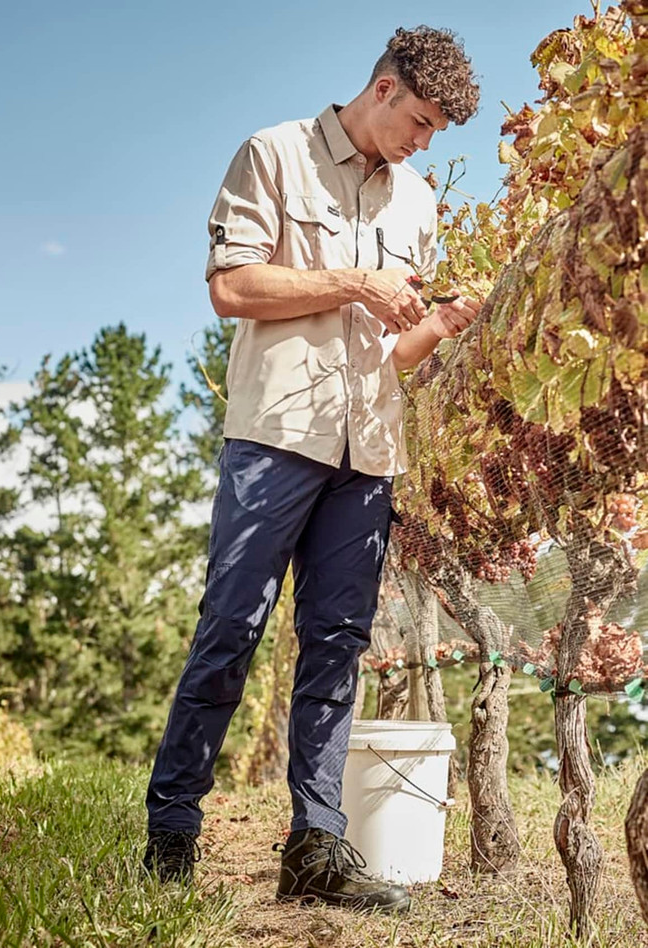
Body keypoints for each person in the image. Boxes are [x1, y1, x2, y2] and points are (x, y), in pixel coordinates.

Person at [144, 25, 481, 913]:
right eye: (418, 120)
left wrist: (435, 329)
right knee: (231, 628)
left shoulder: (417, 201)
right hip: (276, 435)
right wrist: (352, 281)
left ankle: (317, 847)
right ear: (381, 90)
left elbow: (388, 352)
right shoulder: (275, 154)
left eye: (437, 131)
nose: (422, 142)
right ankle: (172, 832)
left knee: (337, 647)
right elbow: (231, 287)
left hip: (366, 450)